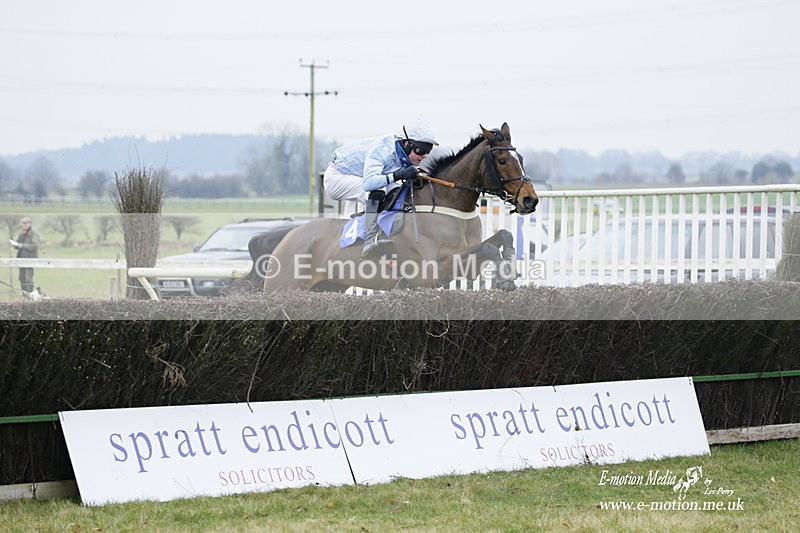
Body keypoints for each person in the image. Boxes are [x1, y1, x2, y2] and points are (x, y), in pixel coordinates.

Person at [323, 118, 438, 258]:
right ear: (406, 143)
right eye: (420, 150)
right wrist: (399, 174)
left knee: (397, 189)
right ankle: (370, 240)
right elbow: (369, 183)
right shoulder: (382, 150)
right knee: (378, 190)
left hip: (359, 177)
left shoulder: (403, 153)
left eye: (428, 151)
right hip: (337, 178)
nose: (424, 156)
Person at [9, 216, 39, 293]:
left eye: (26, 223)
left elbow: (34, 246)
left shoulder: (33, 234)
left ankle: (30, 294)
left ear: (30, 224)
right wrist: (14, 244)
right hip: (21, 259)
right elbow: (18, 244)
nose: (24, 225)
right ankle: (25, 295)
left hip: (30, 259)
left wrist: (22, 245)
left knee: (28, 278)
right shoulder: (21, 234)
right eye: (23, 223)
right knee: (22, 278)